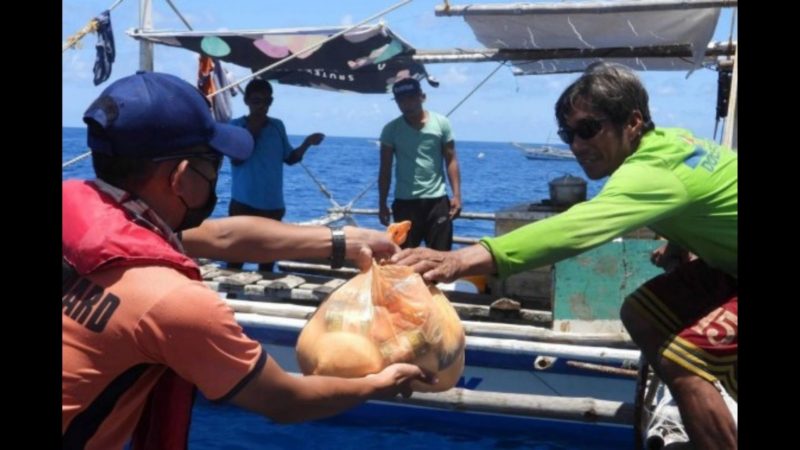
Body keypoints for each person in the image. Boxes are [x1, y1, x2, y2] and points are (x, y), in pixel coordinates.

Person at [63, 71, 430, 450]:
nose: (216, 179)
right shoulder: (172, 303)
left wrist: (345, 241)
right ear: (182, 176)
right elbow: (284, 400)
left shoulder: (83, 218)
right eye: (213, 165)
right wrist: (376, 383)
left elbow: (223, 236)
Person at [391, 62, 737, 450]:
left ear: (634, 121)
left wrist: (460, 259)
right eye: (567, 134)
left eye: (589, 129)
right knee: (641, 312)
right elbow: (694, 195)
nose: (577, 145)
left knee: (683, 360)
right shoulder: (672, 144)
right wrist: (678, 244)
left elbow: (576, 228)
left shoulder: (650, 174)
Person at [228, 78, 326, 272]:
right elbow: (237, 159)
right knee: (235, 261)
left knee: (267, 264)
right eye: (257, 101)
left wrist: (307, 143)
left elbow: (290, 158)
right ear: (246, 101)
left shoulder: (277, 126)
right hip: (243, 204)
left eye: (267, 101)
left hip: (273, 206)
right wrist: (254, 129)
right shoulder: (235, 126)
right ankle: (229, 301)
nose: (262, 106)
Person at [378, 77, 462, 250]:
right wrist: (382, 203)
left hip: (437, 201)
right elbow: (385, 170)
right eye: (401, 100)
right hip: (404, 203)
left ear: (422, 97)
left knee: (440, 256)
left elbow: (451, 159)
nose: (406, 104)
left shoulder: (441, 124)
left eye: (411, 98)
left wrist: (457, 195)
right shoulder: (390, 130)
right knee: (404, 257)